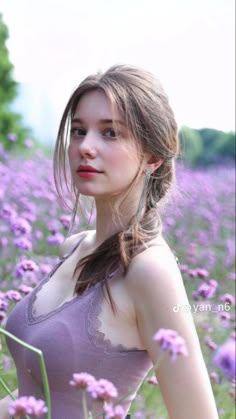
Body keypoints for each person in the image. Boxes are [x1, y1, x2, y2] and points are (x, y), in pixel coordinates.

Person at [1, 64, 219, 419]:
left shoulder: (149, 269)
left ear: (152, 156)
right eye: (78, 130)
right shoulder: (73, 246)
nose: (85, 147)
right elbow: (40, 398)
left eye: (111, 133)